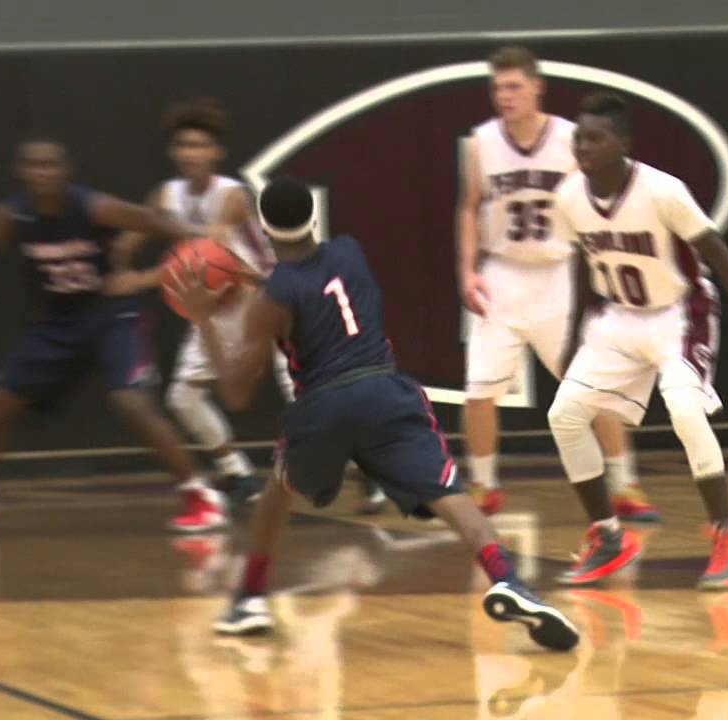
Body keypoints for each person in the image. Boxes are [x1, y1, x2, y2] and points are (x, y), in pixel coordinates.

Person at [175, 176, 579, 651]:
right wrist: (257, 282)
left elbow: (238, 392)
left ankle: (250, 600)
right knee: (454, 497)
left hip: (324, 405)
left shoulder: (273, 299)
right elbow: (311, 284)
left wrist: (203, 317)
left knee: (275, 495)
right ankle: (509, 579)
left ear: (264, 228)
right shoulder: (350, 252)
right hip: (386, 393)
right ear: (313, 218)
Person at [0, 139, 228, 535]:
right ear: (22, 172)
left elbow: (154, 222)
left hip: (112, 315)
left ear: (65, 171)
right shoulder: (11, 216)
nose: (43, 172)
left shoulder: (94, 206)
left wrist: (197, 236)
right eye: (34, 166)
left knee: (130, 400)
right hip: (57, 325)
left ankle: (200, 495)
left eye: (50, 165)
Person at [548, 93, 728, 590]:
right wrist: (574, 332)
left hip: (679, 314)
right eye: (579, 137)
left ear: (623, 143)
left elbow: (720, 258)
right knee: (564, 414)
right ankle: (606, 536)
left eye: (596, 137)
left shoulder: (663, 191)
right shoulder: (570, 197)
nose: (584, 146)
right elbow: (579, 263)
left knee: (685, 410)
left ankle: (726, 536)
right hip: (618, 316)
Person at [457, 46, 656, 522]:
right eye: (497, 87)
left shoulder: (572, 139)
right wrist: (467, 270)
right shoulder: (480, 142)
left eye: (513, 87)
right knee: (479, 390)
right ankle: (484, 486)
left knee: (597, 387)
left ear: (536, 86)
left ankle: (624, 484)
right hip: (502, 276)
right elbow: (469, 205)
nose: (504, 96)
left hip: (559, 276)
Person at [110, 97, 288, 506]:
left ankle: (369, 468)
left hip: (267, 297)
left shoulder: (232, 196)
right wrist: (109, 266)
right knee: (183, 398)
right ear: (175, 152)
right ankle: (237, 473)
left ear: (217, 153)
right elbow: (128, 241)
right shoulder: (165, 195)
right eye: (185, 145)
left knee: (309, 394)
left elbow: (207, 257)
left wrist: (137, 280)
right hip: (216, 307)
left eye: (201, 145)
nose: (192, 153)